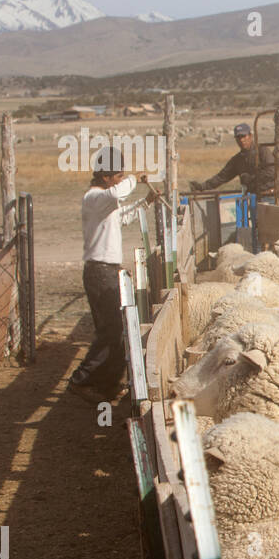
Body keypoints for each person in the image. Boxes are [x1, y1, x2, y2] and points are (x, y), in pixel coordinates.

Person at [67, 147, 159, 404]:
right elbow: (119, 193)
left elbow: (123, 217)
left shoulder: (105, 202)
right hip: (100, 271)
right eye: (118, 176)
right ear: (106, 178)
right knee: (110, 331)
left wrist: (146, 202)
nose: (121, 180)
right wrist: (134, 179)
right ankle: (81, 380)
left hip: (107, 271)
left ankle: (106, 385)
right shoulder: (94, 198)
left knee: (117, 330)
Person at [189, 122, 274, 196]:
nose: (242, 140)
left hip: (269, 195)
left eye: (244, 136)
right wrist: (202, 187)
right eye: (238, 137)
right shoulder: (237, 160)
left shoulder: (263, 151)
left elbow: (272, 171)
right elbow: (221, 177)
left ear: (250, 136)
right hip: (252, 197)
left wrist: (252, 178)